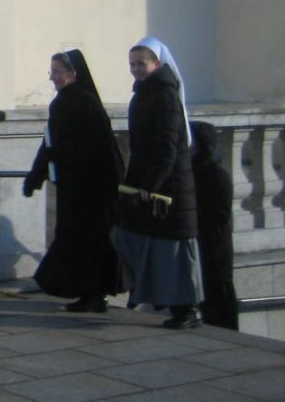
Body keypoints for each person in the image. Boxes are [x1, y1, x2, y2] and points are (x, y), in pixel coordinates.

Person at [23, 49, 125, 312]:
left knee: (85, 241)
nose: (53, 77)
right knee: (81, 240)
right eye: (52, 72)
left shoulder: (79, 102)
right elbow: (51, 143)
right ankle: (90, 293)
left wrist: (40, 173)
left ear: (73, 73)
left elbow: (76, 146)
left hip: (89, 188)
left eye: (58, 71)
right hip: (79, 186)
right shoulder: (67, 101)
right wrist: (37, 174)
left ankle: (92, 294)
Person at [113, 37, 204, 329]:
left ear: (158, 64)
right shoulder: (147, 92)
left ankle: (187, 310)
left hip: (168, 186)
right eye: (132, 64)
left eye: (141, 63)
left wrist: (151, 185)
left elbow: (167, 145)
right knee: (139, 239)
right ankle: (159, 297)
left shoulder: (164, 94)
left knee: (173, 250)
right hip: (156, 182)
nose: (136, 68)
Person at [190, 120, 239, 330]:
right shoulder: (192, 172)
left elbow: (219, 215)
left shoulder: (217, 175)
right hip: (201, 247)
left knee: (219, 302)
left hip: (214, 250)